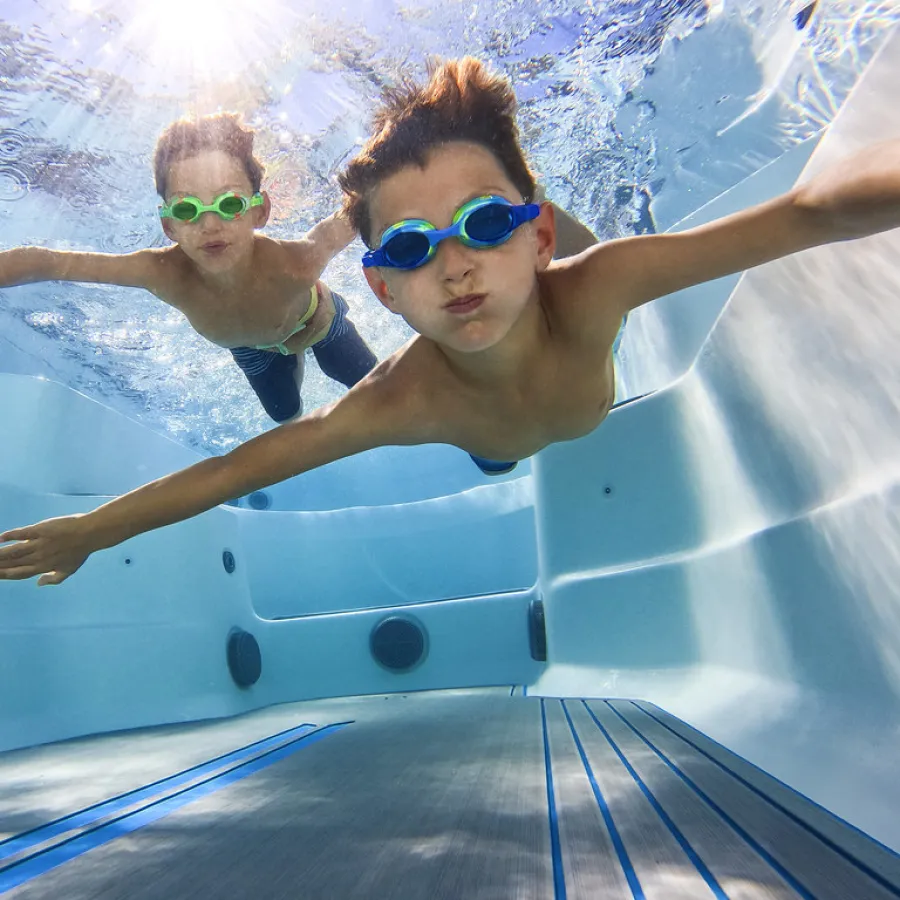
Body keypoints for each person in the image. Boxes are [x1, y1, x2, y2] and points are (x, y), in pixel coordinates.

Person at [2, 56, 899, 586]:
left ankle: (523, 193)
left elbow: (810, 212)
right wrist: (96, 527)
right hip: (469, 413)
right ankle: (500, 205)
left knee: (584, 279)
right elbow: (242, 466)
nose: (454, 265)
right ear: (385, 289)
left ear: (533, 237)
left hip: (539, 337)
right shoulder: (401, 400)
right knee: (464, 445)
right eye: (409, 249)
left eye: (484, 226)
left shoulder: (598, 286)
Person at [0, 113, 378, 423]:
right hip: (251, 348)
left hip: (318, 323)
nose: (209, 225)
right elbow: (50, 263)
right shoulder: (160, 272)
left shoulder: (299, 260)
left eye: (229, 204)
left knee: (377, 391)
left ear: (259, 211)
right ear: (169, 226)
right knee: (287, 419)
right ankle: (289, 368)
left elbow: (366, 201)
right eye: (186, 209)